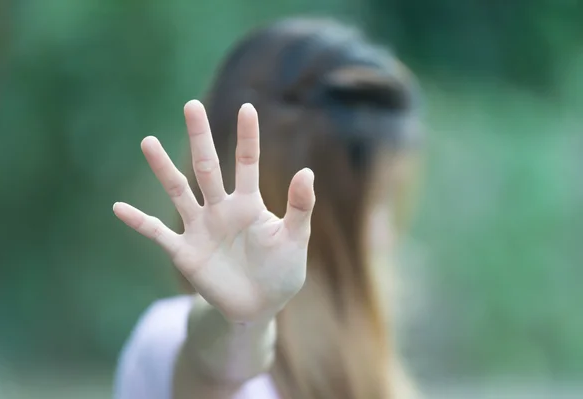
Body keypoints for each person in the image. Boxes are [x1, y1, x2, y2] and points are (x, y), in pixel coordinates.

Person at [113, 17, 422, 399]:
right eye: (379, 202)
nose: (389, 234)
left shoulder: (367, 373)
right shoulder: (167, 338)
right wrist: (242, 320)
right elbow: (212, 367)